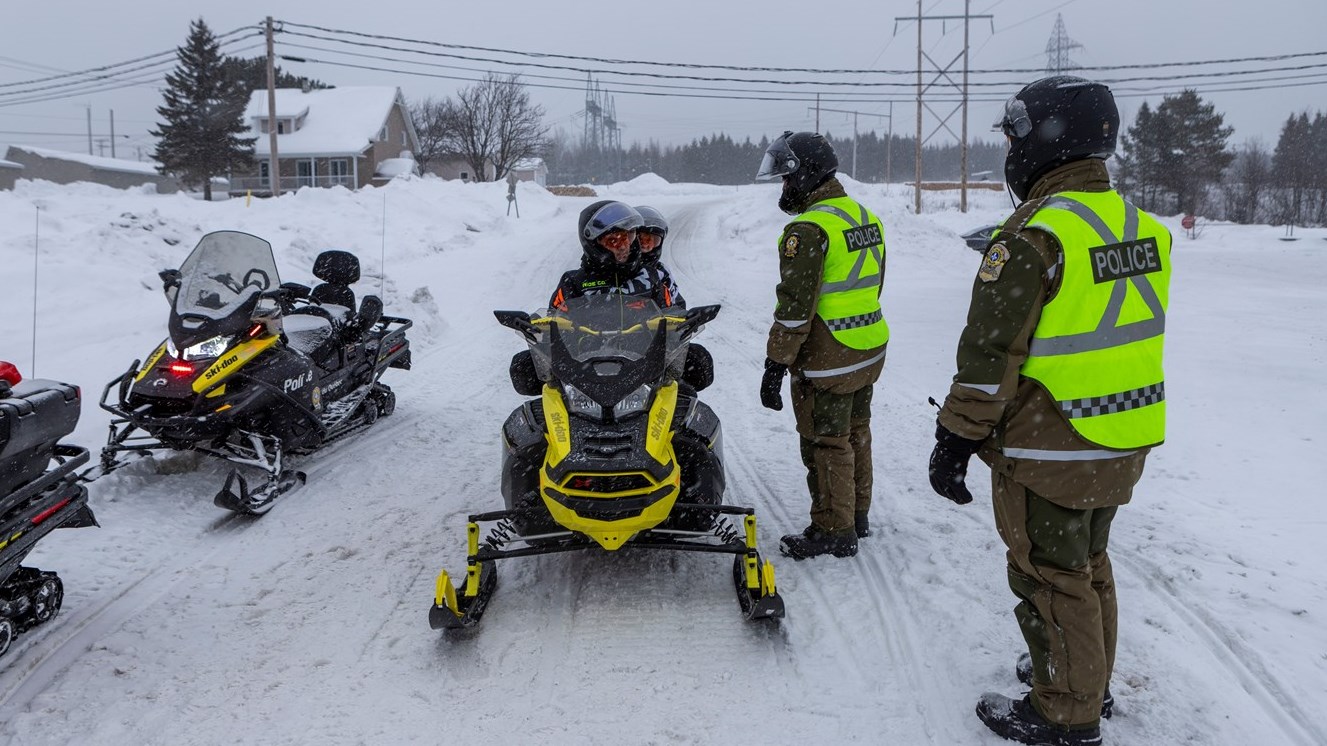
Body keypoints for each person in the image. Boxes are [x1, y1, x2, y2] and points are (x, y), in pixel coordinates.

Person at [928, 75, 1171, 746]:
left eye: (1013, 136)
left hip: (1051, 440)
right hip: (1122, 432)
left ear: (1046, 140)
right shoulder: (1137, 225)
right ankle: (1084, 676)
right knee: (1087, 566)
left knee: (1048, 572)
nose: (1010, 149)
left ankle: (1066, 708)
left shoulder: (1035, 235)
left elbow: (988, 354)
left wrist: (954, 437)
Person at [754, 131, 889, 560]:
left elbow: (795, 309)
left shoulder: (809, 229)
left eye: (786, 178)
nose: (783, 187)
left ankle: (834, 528)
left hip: (829, 356)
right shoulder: (863, 216)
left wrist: (775, 364)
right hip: (869, 345)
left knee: (825, 442)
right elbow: (872, 285)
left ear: (805, 175)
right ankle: (857, 515)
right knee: (856, 432)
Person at [633, 205, 685, 309]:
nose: (645, 245)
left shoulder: (661, 271)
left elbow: (678, 305)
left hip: (654, 323)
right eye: (641, 239)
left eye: (652, 240)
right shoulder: (616, 269)